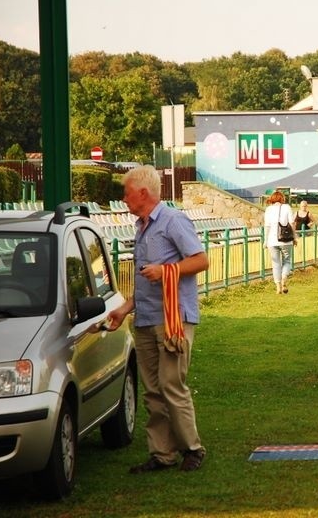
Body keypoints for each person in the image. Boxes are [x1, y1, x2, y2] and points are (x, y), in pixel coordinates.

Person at [106, 165, 209, 473]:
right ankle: (162, 454)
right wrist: (126, 308)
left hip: (172, 319)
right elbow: (145, 281)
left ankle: (192, 448)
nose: (124, 198)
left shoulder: (172, 221)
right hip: (147, 317)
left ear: (143, 193)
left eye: (126, 193)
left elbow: (201, 260)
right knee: (152, 389)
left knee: (171, 384)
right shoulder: (142, 226)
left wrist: (166, 271)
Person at [264, 190, 297, 294]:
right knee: (287, 260)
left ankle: (278, 287)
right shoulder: (287, 207)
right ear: (282, 198)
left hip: (272, 241)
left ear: (272, 199)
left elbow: (267, 226)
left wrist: (265, 241)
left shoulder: (268, 209)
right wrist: (294, 237)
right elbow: (292, 223)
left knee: (275, 264)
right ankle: (283, 280)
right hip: (286, 240)